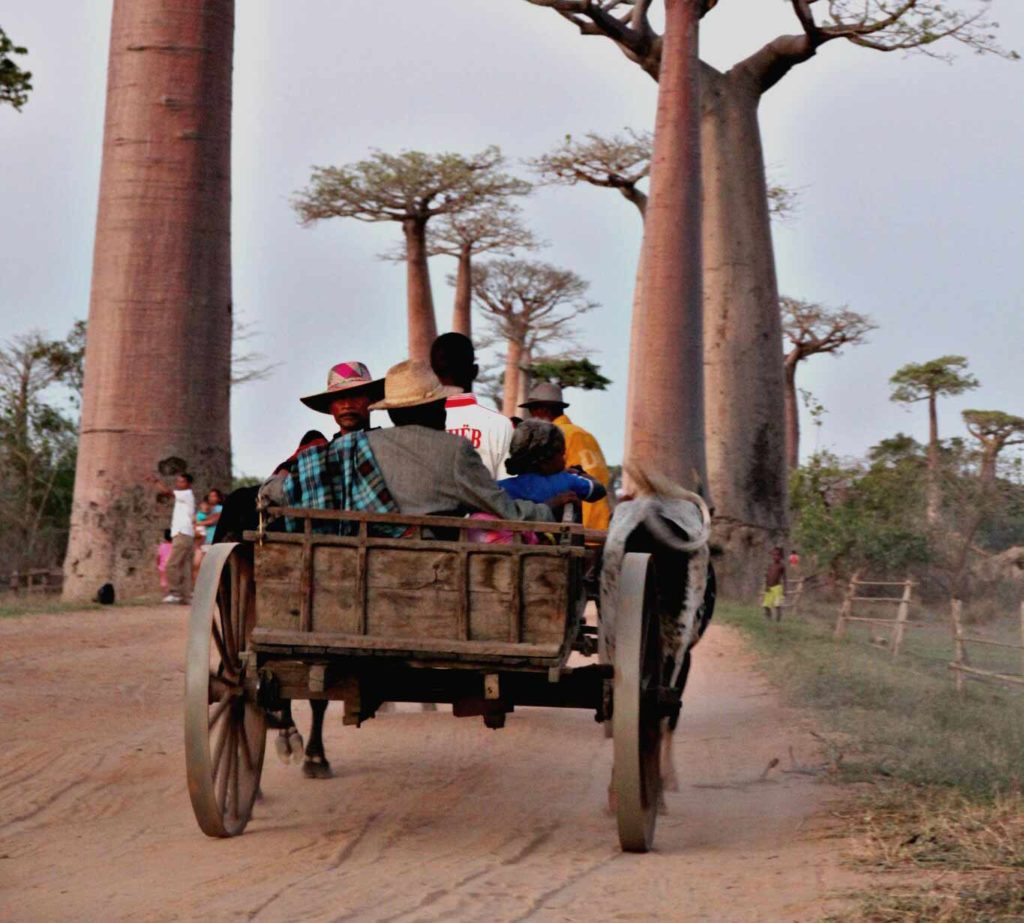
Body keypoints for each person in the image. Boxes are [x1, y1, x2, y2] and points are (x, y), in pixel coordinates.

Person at [366, 359, 556, 523]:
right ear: (436, 406)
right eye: (441, 403)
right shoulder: (454, 448)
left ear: (391, 412)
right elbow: (501, 508)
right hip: (437, 557)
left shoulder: (359, 445)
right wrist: (547, 509)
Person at [520, 382, 612, 532]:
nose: (530, 416)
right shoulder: (585, 435)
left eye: (531, 410)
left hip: (573, 525)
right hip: (600, 523)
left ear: (541, 409)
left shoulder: (552, 436)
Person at [430, 333, 513, 479]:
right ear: (475, 371)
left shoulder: (417, 427)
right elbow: (507, 486)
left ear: (432, 373)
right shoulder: (500, 425)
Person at [499, 419, 607, 508]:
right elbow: (599, 490)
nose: (564, 459)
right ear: (547, 460)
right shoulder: (566, 481)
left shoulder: (501, 488)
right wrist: (579, 473)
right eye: (561, 454)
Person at [149, 472, 195, 604]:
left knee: (171, 564)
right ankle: (186, 596)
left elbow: (167, 492)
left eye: (181, 481)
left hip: (182, 533)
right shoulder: (186, 496)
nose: (178, 484)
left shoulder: (186, 494)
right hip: (185, 533)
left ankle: (174, 592)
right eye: (178, 481)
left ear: (188, 484)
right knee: (184, 566)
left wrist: (156, 481)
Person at [763, 546, 787, 622]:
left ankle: (778, 620)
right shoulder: (770, 566)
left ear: (780, 557)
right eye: (774, 555)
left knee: (777, 605)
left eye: (777, 555)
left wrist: (785, 590)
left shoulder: (781, 566)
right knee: (766, 605)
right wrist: (766, 586)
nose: (775, 557)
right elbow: (767, 576)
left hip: (777, 587)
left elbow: (784, 578)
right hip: (769, 588)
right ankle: (768, 618)